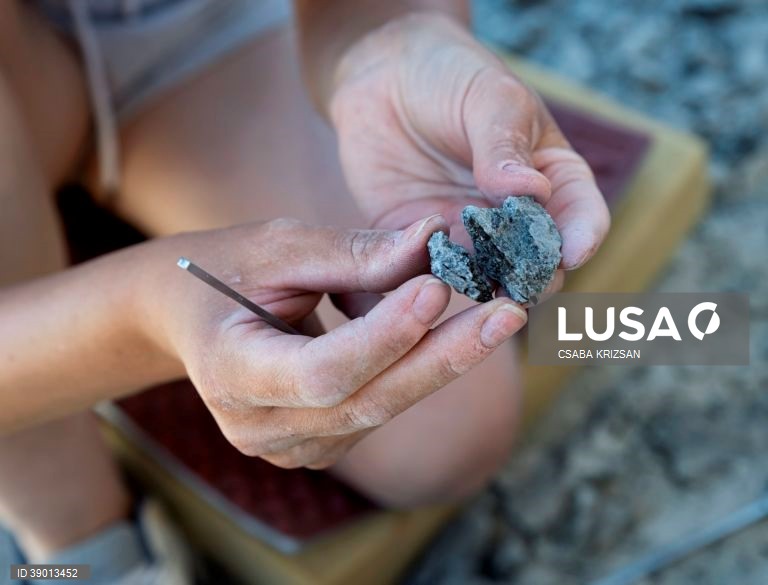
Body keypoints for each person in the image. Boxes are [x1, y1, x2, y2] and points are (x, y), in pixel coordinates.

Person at [0, 0, 609, 581]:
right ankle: (78, 546)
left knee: (439, 434)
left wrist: (389, 40)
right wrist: (150, 316)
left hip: (188, 29)